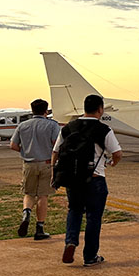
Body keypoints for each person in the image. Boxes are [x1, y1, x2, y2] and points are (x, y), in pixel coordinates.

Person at [51, 94, 122, 266]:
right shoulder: (104, 129)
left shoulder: (68, 128)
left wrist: (56, 174)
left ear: (84, 108)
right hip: (95, 179)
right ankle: (90, 256)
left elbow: (55, 152)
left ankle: (71, 241)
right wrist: (112, 163)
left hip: (73, 179)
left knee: (74, 211)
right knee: (93, 217)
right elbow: (117, 153)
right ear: (100, 109)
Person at [10, 98, 60, 240]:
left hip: (29, 163)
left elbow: (13, 145)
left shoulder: (23, 125)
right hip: (46, 163)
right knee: (43, 195)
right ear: (46, 110)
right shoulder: (52, 125)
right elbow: (56, 145)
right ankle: (40, 228)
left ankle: (26, 213)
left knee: (29, 193)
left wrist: (25, 151)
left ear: (32, 110)